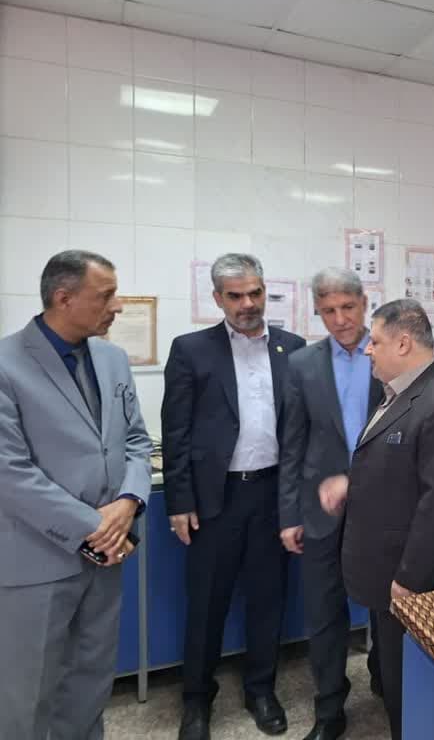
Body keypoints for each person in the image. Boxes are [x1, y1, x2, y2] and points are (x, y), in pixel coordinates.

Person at [0, 250, 151, 740]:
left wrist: (129, 502)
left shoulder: (111, 359)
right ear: (63, 299)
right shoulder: (6, 364)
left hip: (106, 558)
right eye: (106, 296)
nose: (117, 306)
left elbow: (135, 439)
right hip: (37, 560)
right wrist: (95, 526)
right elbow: (10, 472)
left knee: (91, 680)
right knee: (29, 691)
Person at [162, 253, 306, 740]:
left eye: (255, 293)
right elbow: (175, 432)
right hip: (214, 499)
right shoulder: (191, 350)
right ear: (217, 298)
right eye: (236, 296)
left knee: (268, 598)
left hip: (271, 495)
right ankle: (196, 700)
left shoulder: (292, 348)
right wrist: (180, 501)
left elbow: (299, 429)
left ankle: (260, 690)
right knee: (207, 603)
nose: (248, 304)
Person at [319, 299, 434, 740]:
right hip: (383, 568)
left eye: (375, 341)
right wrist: (352, 483)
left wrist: (409, 578)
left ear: (404, 343)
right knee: (393, 681)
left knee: (410, 693)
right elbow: (397, 469)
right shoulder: (397, 393)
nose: (368, 350)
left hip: (409, 579)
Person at [279, 268, 383, 740]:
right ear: (317, 312)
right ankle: (329, 707)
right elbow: (292, 446)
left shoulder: (390, 351)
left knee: (389, 603)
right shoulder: (302, 364)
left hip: (382, 505)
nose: (340, 319)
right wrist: (289, 515)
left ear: (364, 304)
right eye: (328, 311)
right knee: (324, 612)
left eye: (347, 307)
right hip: (321, 510)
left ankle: (386, 680)